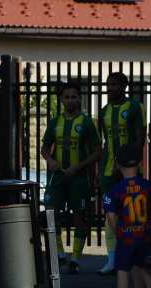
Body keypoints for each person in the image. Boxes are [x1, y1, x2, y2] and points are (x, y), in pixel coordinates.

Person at [40, 80, 101, 273]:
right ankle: (59, 254)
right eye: (67, 97)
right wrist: (49, 160)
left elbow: (98, 151)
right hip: (57, 176)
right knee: (51, 213)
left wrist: (79, 166)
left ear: (80, 99)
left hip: (79, 177)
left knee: (79, 216)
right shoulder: (55, 122)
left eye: (74, 96)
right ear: (61, 99)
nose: (70, 100)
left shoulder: (86, 122)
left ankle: (75, 259)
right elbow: (44, 148)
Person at [102, 145, 151, 288]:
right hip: (144, 235)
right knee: (146, 269)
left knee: (122, 271)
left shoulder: (114, 190)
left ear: (117, 164)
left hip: (126, 237)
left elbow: (111, 216)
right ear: (139, 164)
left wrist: (118, 233)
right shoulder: (147, 185)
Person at [98, 72, 147, 276]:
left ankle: (137, 254)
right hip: (109, 170)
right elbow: (104, 142)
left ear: (125, 86)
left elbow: (140, 137)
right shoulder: (104, 111)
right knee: (110, 213)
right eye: (108, 85)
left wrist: (129, 164)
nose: (110, 88)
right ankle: (112, 258)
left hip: (130, 170)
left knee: (133, 212)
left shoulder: (135, 107)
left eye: (115, 84)